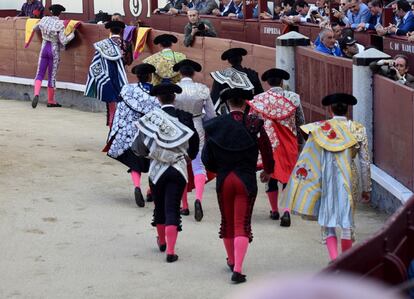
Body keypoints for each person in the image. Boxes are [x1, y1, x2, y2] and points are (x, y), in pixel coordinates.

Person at [283, 93, 371, 261]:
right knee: (346, 222)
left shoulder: (319, 129)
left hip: (326, 179)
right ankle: (344, 263)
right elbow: (365, 162)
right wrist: (366, 188)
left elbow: (309, 157)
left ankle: (334, 259)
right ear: (348, 110)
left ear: (330, 110)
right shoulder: (358, 129)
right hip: (349, 178)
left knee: (329, 221)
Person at [202, 88, 274, 283]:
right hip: (246, 179)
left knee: (227, 222)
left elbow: (206, 157)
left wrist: (218, 169)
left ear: (226, 104)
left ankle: (232, 261)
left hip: (224, 179)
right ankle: (238, 269)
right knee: (241, 224)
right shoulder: (254, 124)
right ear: (245, 103)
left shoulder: (214, 125)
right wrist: (268, 170)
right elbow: (267, 150)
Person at [132, 83, 199, 263]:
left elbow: (139, 147)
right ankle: (170, 250)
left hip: (157, 169)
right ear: (174, 97)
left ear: (158, 98)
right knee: (172, 207)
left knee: (159, 206)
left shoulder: (151, 118)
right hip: (178, 169)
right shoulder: (185, 117)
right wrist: (189, 157)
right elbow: (194, 143)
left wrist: (151, 154)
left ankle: (162, 241)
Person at [248, 68, 305, 226]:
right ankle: (286, 211)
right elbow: (300, 121)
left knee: (271, 173)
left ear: (267, 83)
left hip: (269, 141)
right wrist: (300, 141)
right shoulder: (293, 98)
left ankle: (274, 211)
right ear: (282, 82)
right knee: (287, 176)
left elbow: (252, 122)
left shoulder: (259, 99)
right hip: (288, 141)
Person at [105, 64, 160, 208]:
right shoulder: (157, 93)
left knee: (135, 163)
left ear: (137, 76)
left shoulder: (127, 89)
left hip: (130, 132)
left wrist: (117, 132)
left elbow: (120, 112)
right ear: (150, 76)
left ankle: (137, 187)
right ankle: (151, 191)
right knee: (153, 162)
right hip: (149, 133)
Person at [172, 59, 216, 220]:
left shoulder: (175, 89)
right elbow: (211, 115)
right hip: (197, 126)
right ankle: (198, 198)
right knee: (198, 165)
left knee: (180, 165)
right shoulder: (202, 89)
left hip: (179, 129)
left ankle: (184, 205)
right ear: (194, 73)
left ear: (179, 73)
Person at [85, 21, 128, 128]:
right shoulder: (125, 44)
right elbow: (129, 60)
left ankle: (111, 128)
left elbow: (95, 63)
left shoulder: (102, 44)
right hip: (121, 77)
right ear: (121, 30)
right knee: (121, 103)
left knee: (111, 105)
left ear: (110, 30)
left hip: (107, 77)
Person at [31, 4, 75, 109]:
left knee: (39, 74)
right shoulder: (59, 24)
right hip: (54, 51)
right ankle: (51, 101)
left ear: (51, 12)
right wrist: (72, 34)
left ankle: (36, 93)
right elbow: (63, 41)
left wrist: (43, 32)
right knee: (52, 76)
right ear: (59, 13)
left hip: (44, 48)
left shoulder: (44, 20)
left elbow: (34, 28)